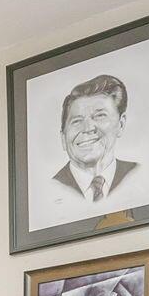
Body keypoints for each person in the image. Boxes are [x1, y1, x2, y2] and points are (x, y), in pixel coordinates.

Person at [51, 74, 139, 205]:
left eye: (100, 116)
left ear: (121, 124)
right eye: (77, 121)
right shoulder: (49, 193)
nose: (88, 128)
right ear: (63, 138)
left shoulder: (140, 177)